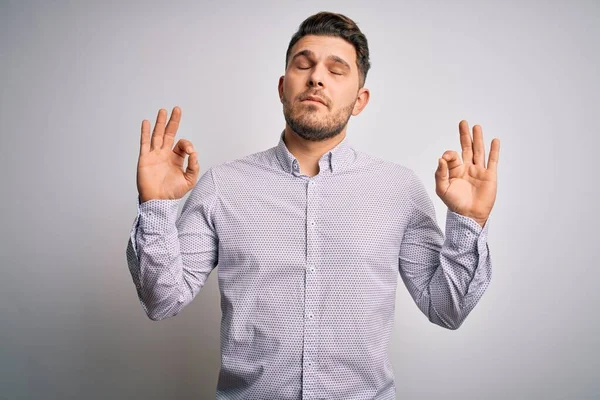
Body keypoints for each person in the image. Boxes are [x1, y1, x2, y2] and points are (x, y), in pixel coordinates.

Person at [126, 11, 500, 400]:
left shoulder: (399, 189)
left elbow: (447, 309)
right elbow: (161, 299)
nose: (316, 77)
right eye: (303, 64)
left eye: (336, 71)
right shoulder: (223, 186)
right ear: (283, 87)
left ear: (360, 100)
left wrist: (468, 221)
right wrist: (155, 206)